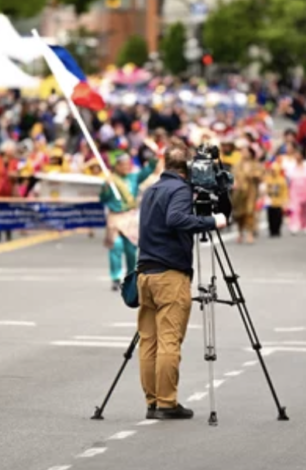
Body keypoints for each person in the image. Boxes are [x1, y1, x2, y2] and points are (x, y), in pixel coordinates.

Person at [135, 144, 227, 420]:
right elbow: (175, 218)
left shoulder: (152, 190)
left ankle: (153, 402)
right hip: (169, 275)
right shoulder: (179, 190)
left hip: (145, 273)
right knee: (169, 340)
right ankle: (167, 403)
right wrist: (211, 221)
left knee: (149, 342)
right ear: (189, 168)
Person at [101, 153, 158, 291]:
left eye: (128, 165)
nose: (126, 167)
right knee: (116, 245)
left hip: (130, 217)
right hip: (115, 216)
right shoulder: (110, 180)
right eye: (123, 165)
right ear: (117, 166)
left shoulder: (134, 177)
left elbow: (148, 170)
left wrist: (153, 158)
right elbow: (103, 198)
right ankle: (115, 277)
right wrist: (106, 188)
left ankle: (130, 276)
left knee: (130, 249)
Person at [231, 140, 264, 244]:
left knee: (250, 212)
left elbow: (261, 176)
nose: (244, 153)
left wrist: (254, 176)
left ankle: (250, 233)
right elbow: (233, 177)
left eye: (246, 151)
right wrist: (234, 183)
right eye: (243, 151)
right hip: (239, 192)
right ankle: (240, 232)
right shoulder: (237, 165)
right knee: (239, 214)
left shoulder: (256, 165)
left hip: (251, 192)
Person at [0, 141, 19, 242]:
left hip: (8, 190)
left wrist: (14, 175)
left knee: (8, 213)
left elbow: (16, 173)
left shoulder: (14, 161)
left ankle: (8, 233)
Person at [285, 149, 306, 234]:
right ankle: (294, 225)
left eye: (298, 155)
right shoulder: (291, 165)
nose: (297, 157)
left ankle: (305, 225)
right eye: (296, 155)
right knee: (294, 208)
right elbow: (287, 178)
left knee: (305, 209)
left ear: (302, 155)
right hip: (294, 190)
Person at [263, 163, 288, 237]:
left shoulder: (282, 180)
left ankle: (277, 230)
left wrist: (284, 200)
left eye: (274, 170)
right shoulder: (268, 179)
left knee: (278, 217)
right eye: (272, 170)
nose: (273, 172)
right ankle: (271, 230)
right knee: (270, 217)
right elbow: (265, 189)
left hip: (278, 202)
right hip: (270, 202)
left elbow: (285, 191)